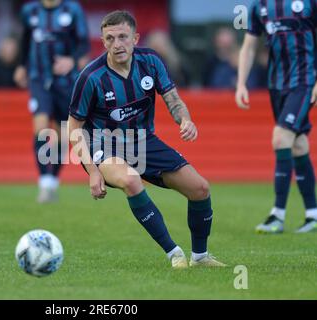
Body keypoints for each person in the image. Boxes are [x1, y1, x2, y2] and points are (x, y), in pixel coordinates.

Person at [68, 11, 226, 268]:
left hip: (144, 142)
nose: (117, 44)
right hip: (104, 145)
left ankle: (200, 257)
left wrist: (185, 120)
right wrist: (92, 171)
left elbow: (172, 99)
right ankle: (174, 253)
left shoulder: (151, 61)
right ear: (103, 41)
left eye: (122, 37)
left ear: (135, 38)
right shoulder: (90, 77)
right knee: (131, 180)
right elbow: (73, 127)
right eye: (110, 38)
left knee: (200, 189)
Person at [236, 0, 317, 233]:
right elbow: (249, 46)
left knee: (281, 138)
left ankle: (277, 215)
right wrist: (241, 84)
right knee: (298, 145)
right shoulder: (258, 6)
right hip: (276, 85)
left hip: (304, 82)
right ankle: (313, 214)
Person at [14, 0, 90, 203]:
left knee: (61, 135)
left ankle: (53, 180)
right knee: (40, 128)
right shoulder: (30, 11)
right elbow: (25, 40)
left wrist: (72, 60)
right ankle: (44, 181)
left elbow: (83, 43)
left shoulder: (72, 10)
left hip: (67, 82)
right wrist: (22, 66)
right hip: (39, 79)